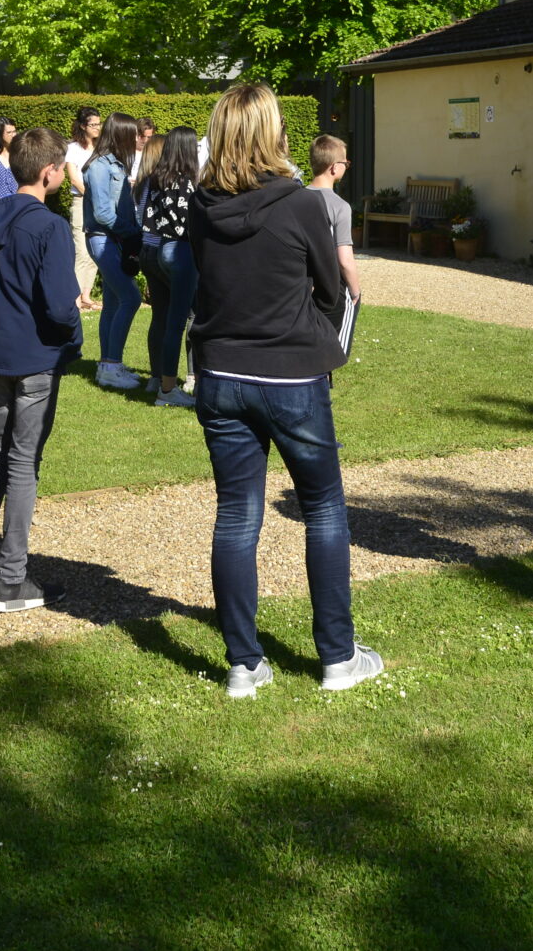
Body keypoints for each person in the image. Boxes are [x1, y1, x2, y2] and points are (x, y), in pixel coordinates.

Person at [191, 83, 381, 700]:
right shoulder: (303, 205)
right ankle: (336, 657)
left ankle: (244, 665)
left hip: (221, 372)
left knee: (236, 514)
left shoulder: (203, 206)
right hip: (291, 376)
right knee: (323, 508)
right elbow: (333, 292)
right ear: (275, 134)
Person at [0, 126, 94, 610]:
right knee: (23, 462)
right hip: (35, 358)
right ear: (51, 173)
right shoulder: (48, 226)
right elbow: (59, 305)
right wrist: (71, 341)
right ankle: (11, 578)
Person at [138, 126, 203, 407]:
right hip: (181, 252)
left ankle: (162, 382)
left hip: (162, 249)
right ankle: (169, 389)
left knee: (166, 321)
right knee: (184, 321)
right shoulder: (186, 183)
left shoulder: (158, 178)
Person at [83, 113, 145, 390]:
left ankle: (108, 365)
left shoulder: (115, 165)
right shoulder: (99, 167)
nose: (136, 139)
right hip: (104, 239)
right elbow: (103, 213)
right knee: (130, 298)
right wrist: (133, 232)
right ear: (120, 134)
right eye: (132, 134)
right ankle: (110, 366)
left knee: (111, 303)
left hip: (112, 239)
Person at [305, 134, 363, 304]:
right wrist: (355, 291)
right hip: (330, 289)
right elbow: (344, 260)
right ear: (334, 167)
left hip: (301, 285)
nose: (346, 166)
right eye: (345, 163)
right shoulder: (340, 206)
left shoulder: (295, 198)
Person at [63, 108, 100, 197]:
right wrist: (91, 197)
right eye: (93, 125)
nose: (98, 128)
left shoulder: (101, 147)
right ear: (83, 126)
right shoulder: (73, 148)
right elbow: (74, 180)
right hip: (82, 199)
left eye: (99, 124)